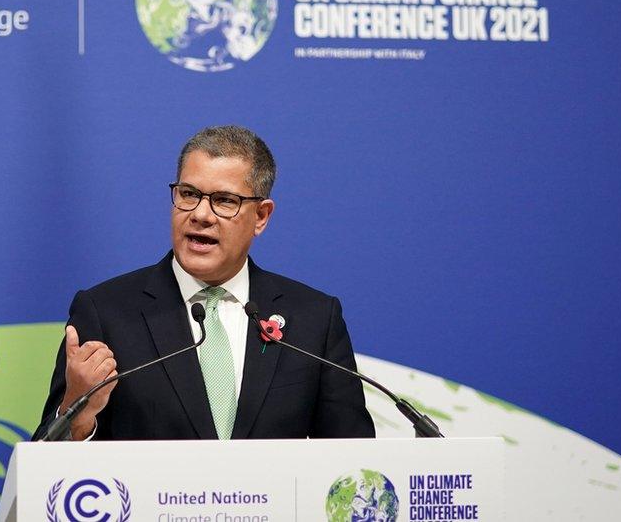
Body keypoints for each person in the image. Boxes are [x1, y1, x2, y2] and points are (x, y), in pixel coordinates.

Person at [34, 125, 374, 441]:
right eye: (188, 194)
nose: (200, 214)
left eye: (225, 200)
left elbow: (355, 462)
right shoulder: (106, 313)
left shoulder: (314, 318)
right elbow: (46, 467)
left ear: (261, 216)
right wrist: (77, 412)